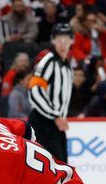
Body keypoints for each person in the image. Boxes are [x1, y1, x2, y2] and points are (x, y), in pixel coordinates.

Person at [28, 23, 74, 162]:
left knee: (63, 167)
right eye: (59, 40)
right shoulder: (48, 61)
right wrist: (55, 115)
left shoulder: (66, 66)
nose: (62, 44)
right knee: (54, 168)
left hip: (55, 123)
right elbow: (34, 90)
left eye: (66, 40)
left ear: (72, 41)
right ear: (53, 40)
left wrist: (59, 117)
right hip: (44, 121)